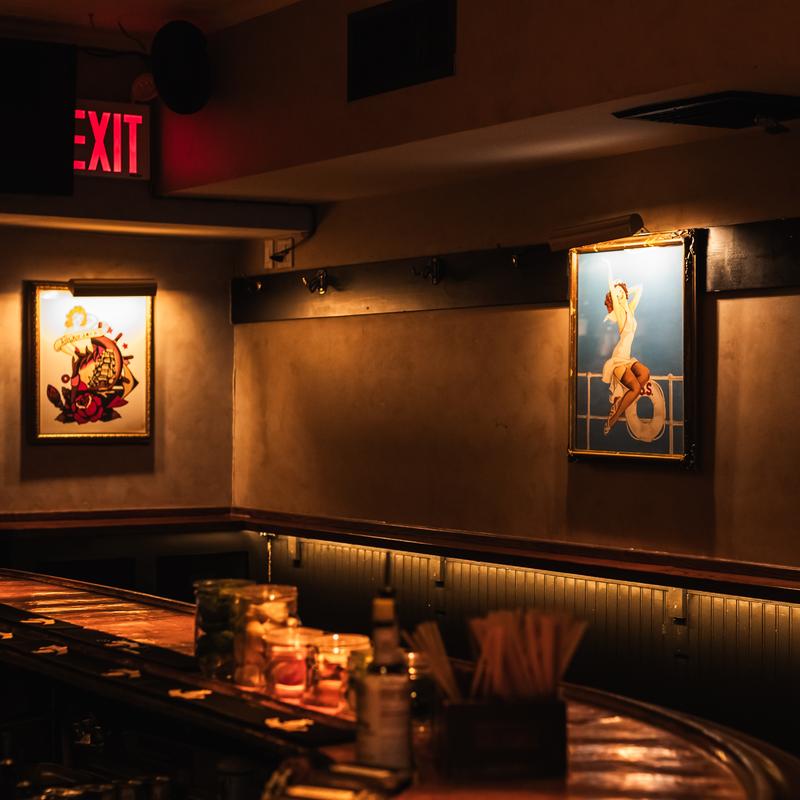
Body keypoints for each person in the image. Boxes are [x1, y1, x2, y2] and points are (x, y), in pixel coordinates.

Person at [601, 265, 651, 435]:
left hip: (627, 358)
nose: (620, 295)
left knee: (645, 373)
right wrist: (609, 269)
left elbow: (640, 289)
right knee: (635, 388)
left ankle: (620, 402)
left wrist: (622, 287)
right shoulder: (620, 313)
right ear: (614, 297)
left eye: (621, 293)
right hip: (618, 359)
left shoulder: (630, 310)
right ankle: (612, 419)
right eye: (616, 294)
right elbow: (611, 285)